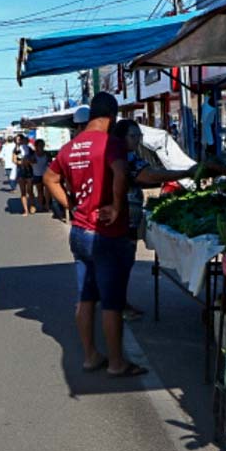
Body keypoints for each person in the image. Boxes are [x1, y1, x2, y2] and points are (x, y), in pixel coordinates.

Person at [44, 92, 147, 378]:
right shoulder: (111, 143)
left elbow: (49, 178)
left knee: (86, 297)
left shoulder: (69, 148)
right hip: (105, 234)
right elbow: (119, 173)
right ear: (112, 117)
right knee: (112, 302)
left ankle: (91, 356)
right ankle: (116, 362)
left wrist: (70, 204)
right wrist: (115, 206)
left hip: (79, 231)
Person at [111, 119, 221, 320]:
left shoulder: (125, 156)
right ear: (121, 138)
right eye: (133, 136)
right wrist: (185, 172)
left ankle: (117, 304)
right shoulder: (125, 159)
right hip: (122, 221)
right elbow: (149, 175)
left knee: (121, 265)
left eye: (139, 136)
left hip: (127, 221)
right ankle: (118, 307)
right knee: (121, 265)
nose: (138, 140)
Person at [13, 135, 35, 216]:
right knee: (23, 192)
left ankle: (32, 205)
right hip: (20, 171)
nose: (19, 141)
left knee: (30, 190)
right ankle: (26, 210)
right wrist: (21, 162)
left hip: (29, 171)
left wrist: (29, 162)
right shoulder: (16, 149)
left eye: (20, 139)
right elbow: (14, 159)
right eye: (17, 140)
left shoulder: (29, 149)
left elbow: (34, 159)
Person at [30, 138, 51, 212]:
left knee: (47, 191)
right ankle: (41, 205)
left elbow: (50, 163)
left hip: (46, 174)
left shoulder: (47, 154)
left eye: (42, 145)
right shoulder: (33, 155)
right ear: (36, 146)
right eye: (40, 145)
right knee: (40, 191)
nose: (41, 147)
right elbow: (31, 163)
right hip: (37, 174)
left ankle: (47, 205)